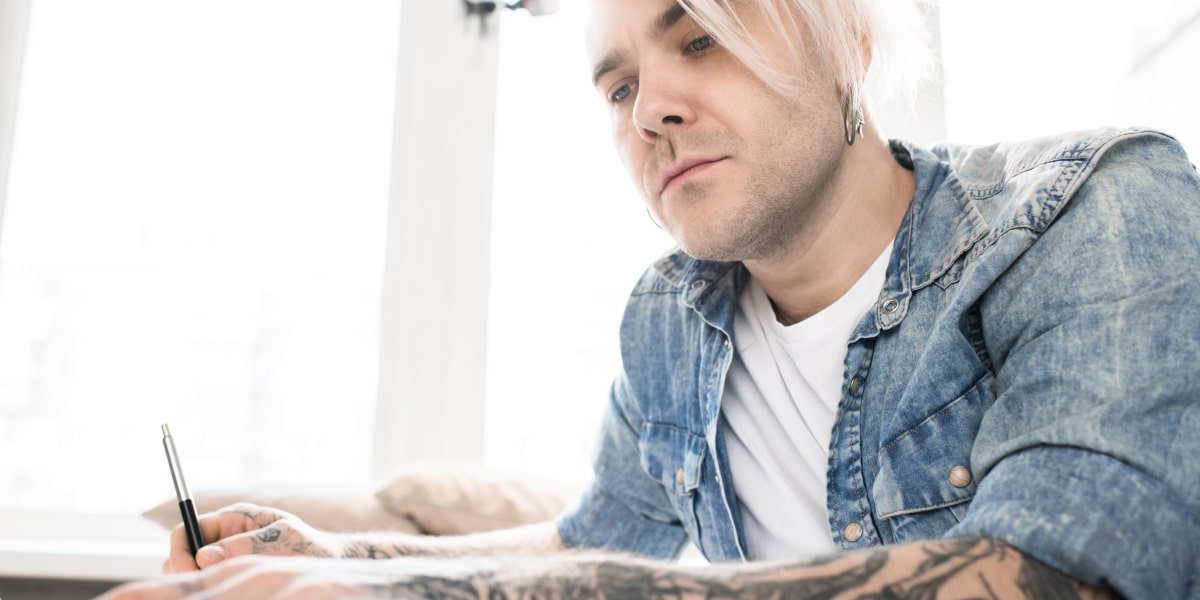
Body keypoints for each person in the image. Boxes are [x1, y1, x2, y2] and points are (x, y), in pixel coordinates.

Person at [104, 0, 1200, 598]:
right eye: (619, 84)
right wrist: (335, 561)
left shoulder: (1088, 210)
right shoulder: (671, 319)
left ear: (849, 49)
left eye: (701, 37)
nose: (649, 110)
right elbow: (589, 540)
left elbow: (1054, 580)